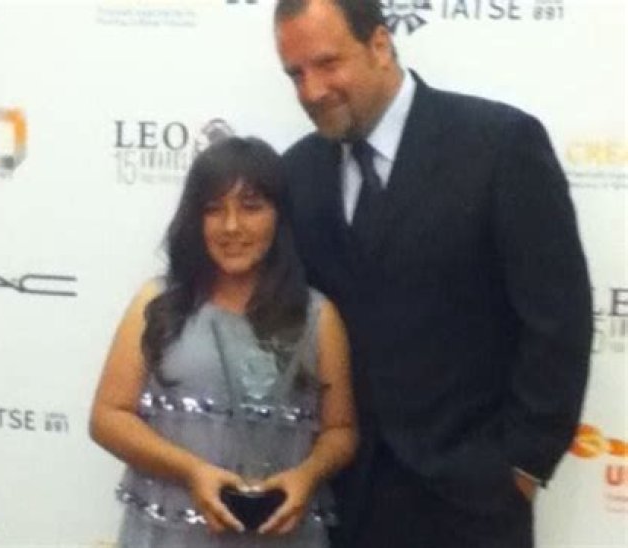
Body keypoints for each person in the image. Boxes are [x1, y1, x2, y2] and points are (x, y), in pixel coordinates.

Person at [273, 1, 593, 547]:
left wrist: (521, 466)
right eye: (295, 74)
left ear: (380, 45)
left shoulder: (499, 145)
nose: (312, 90)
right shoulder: (298, 171)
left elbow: (558, 320)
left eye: (327, 63)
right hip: (341, 503)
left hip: (473, 502)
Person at [90, 136, 357, 548]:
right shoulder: (157, 303)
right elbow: (108, 418)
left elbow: (341, 430)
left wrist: (306, 476)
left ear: (279, 216)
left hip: (282, 535)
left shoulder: (317, 317)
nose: (232, 226)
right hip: (172, 535)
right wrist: (191, 471)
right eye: (213, 209)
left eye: (251, 207)